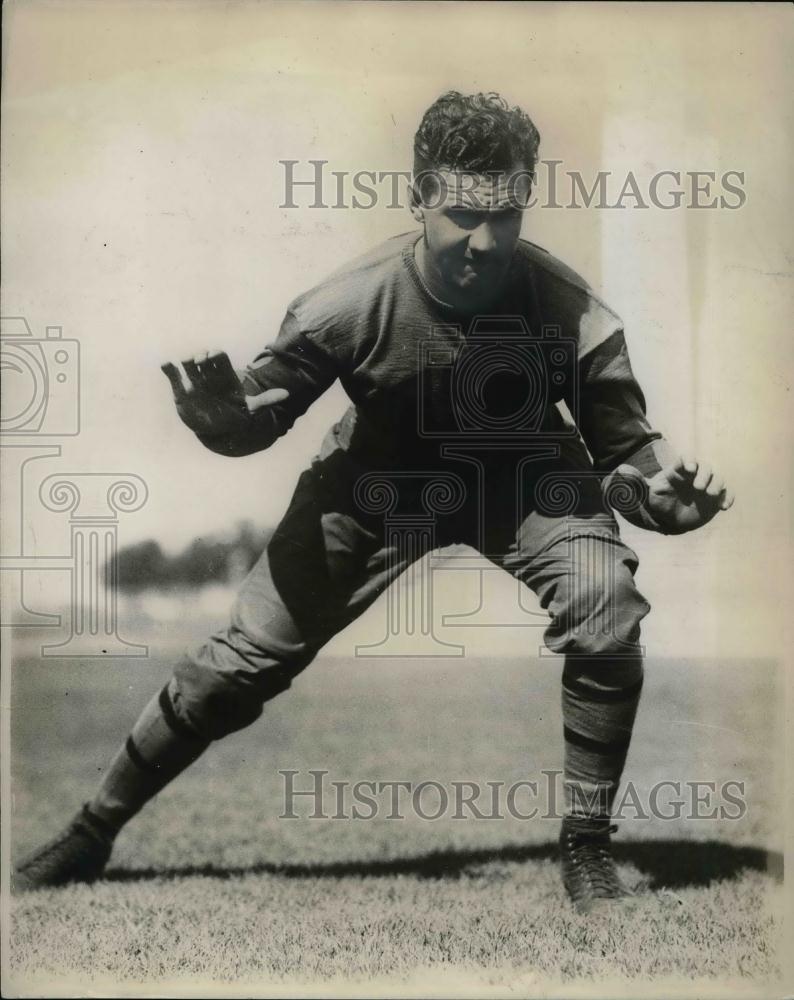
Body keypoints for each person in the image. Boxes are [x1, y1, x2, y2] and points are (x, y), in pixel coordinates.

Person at [14, 91, 733, 913]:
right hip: (375, 483)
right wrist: (219, 426)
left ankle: (587, 847)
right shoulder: (346, 302)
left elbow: (626, 456)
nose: (485, 240)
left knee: (606, 599)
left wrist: (663, 505)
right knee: (234, 669)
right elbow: (259, 416)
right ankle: (90, 829)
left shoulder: (574, 311)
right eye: (463, 213)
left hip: (524, 474)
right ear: (419, 197)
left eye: (506, 216)